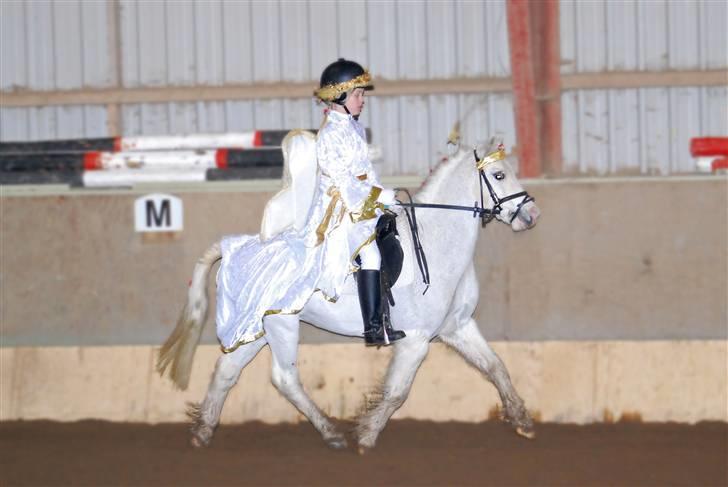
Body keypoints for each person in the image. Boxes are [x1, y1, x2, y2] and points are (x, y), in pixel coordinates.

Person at [215, 58, 405, 352]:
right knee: (369, 255)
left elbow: (366, 171)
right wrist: (380, 197)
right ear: (340, 96)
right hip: (338, 208)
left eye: (362, 94)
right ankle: (373, 326)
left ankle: (385, 312)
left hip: (361, 201)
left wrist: (384, 196)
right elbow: (343, 181)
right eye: (357, 94)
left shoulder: (357, 129)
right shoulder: (330, 134)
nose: (362, 99)